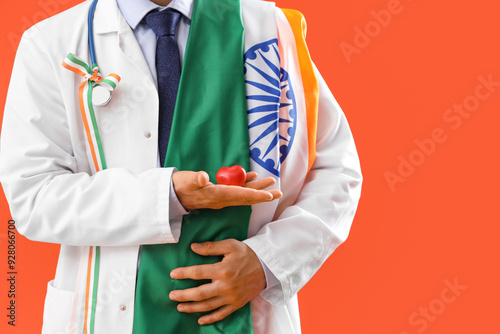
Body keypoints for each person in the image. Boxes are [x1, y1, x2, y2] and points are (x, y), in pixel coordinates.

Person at [0, 0, 363, 333]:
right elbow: (33, 196)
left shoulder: (266, 27)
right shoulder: (50, 43)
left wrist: (267, 263)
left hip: (244, 311)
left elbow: (335, 167)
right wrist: (168, 196)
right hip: (110, 313)